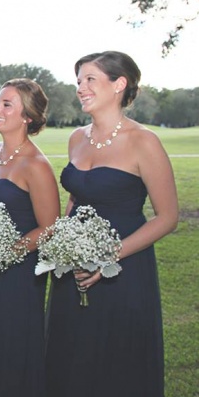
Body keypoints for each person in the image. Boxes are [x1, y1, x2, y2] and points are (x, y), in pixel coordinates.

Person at [45, 51, 178, 397]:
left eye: (90, 79)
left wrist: (109, 259)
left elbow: (167, 218)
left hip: (124, 269)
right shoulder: (76, 138)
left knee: (115, 361)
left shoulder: (143, 142)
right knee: (71, 354)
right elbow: (75, 197)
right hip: (72, 269)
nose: (81, 88)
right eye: (78, 81)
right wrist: (62, 244)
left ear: (119, 84)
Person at [0, 78, 59, 396]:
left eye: (6, 104)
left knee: (14, 349)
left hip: (20, 274)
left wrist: (7, 251)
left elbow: (51, 227)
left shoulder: (36, 166)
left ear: (28, 117)